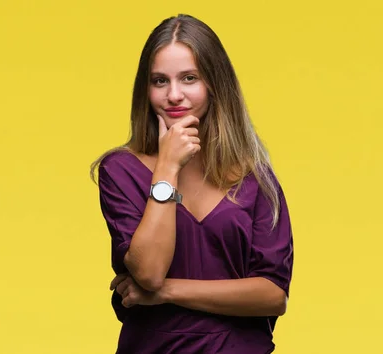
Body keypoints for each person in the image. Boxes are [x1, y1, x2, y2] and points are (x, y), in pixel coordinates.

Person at [90, 14, 294, 353]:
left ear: (214, 83)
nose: (173, 95)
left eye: (189, 78)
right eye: (159, 81)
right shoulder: (121, 170)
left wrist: (168, 292)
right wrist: (167, 168)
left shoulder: (254, 178)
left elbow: (273, 295)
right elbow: (149, 273)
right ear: (146, 88)